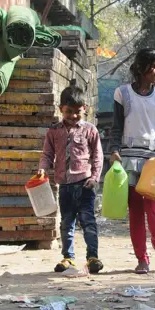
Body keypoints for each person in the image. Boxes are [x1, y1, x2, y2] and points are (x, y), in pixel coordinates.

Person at [109, 48, 155, 274]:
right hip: (129, 158)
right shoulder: (122, 93)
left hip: (153, 159)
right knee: (135, 211)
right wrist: (114, 150)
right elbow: (116, 126)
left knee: (154, 207)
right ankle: (142, 259)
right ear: (141, 67)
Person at [38, 80, 104, 274]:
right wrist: (43, 169)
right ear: (61, 109)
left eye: (78, 112)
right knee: (67, 222)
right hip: (64, 186)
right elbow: (47, 154)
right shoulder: (54, 132)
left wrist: (95, 177)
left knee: (88, 221)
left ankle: (93, 257)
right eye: (69, 112)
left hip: (85, 185)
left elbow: (98, 155)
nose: (73, 116)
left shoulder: (90, 130)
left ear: (85, 109)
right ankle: (68, 258)